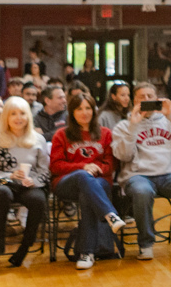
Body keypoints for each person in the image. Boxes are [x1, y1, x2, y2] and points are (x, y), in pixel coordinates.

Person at [113, 82, 171, 260]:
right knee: (142, 191)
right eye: (141, 97)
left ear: (157, 99)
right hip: (138, 175)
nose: (146, 100)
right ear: (133, 101)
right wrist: (133, 126)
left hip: (169, 173)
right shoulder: (123, 125)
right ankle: (146, 244)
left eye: (150, 96)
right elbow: (123, 155)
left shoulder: (169, 121)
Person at [50, 90, 127, 270]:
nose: (84, 112)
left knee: (88, 194)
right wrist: (82, 167)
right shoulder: (61, 134)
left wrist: (97, 169)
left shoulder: (106, 133)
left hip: (99, 183)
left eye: (88, 108)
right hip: (66, 183)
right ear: (71, 112)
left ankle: (87, 253)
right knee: (83, 177)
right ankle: (110, 214)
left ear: (94, 110)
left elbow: (111, 164)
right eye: (79, 109)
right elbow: (55, 166)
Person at [0, 97, 50, 265]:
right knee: (1, 193)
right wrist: (8, 176)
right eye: (13, 114)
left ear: (28, 117)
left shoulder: (37, 139)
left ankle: (25, 247)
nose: (18, 118)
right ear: (6, 117)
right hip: (5, 182)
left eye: (22, 114)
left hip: (29, 184)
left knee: (38, 200)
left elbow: (45, 170)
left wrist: (32, 180)